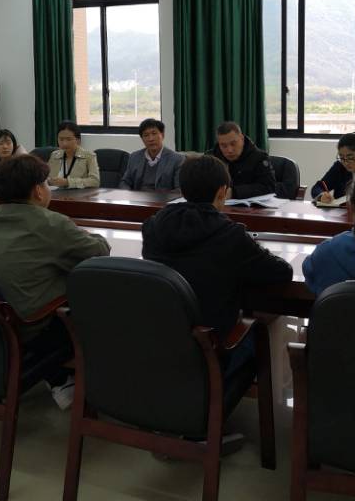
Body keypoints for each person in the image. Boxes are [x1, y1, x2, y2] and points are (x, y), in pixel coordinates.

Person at [0, 154, 109, 409]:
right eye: (46, 183)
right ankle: (82, 385)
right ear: (37, 191)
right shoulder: (50, 223)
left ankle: (59, 379)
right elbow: (99, 252)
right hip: (32, 328)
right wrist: (87, 234)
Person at [141, 155, 293, 345]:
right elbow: (282, 272)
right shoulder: (231, 235)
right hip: (214, 348)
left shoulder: (152, 227)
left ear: (183, 190)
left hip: (159, 341)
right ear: (222, 192)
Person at [208, 122, 277, 200]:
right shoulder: (211, 158)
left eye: (233, 144)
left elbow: (269, 187)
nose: (229, 150)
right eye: (223, 146)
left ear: (242, 138)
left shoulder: (259, 157)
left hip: (249, 206)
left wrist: (234, 192)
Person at [119, 118, 184, 191]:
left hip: (163, 197)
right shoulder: (134, 157)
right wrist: (128, 194)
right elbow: (125, 182)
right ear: (142, 139)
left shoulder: (177, 159)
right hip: (138, 197)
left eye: (154, 134)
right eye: (146, 135)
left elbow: (179, 189)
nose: (151, 139)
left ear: (162, 135)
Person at [47, 120, 100, 189]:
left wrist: (67, 182)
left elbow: (95, 181)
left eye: (69, 139)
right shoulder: (54, 155)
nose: (64, 143)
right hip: (55, 194)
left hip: (79, 195)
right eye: (61, 139)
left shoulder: (89, 156)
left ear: (78, 140)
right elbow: (47, 177)